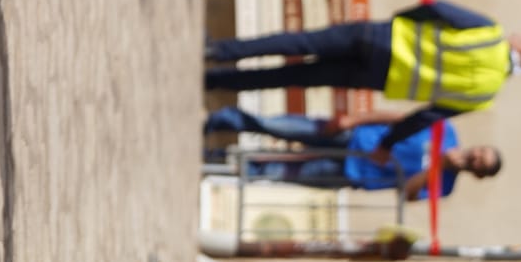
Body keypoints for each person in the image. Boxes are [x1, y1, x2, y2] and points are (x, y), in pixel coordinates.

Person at [203, 0, 521, 150]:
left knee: (299, 41)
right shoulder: (484, 95)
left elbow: (438, 8)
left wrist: (400, 20)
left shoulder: (489, 31)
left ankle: (220, 52)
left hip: (381, 37)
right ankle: (216, 82)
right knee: (295, 77)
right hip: (378, 76)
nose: (518, 34)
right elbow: (425, 116)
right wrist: (387, 142)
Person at [203, 105, 500, 201]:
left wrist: (437, 168)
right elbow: (396, 119)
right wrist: (355, 119)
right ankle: (225, 120)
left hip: (351, 172)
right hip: (353, 137)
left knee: (274, 171)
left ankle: (214, 161)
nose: (475, 159)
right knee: (283, 126)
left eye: (480, 166)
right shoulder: (443, 130)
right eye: (480, 154)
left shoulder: (444, 187)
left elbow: (406, 194)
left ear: (478, 175)